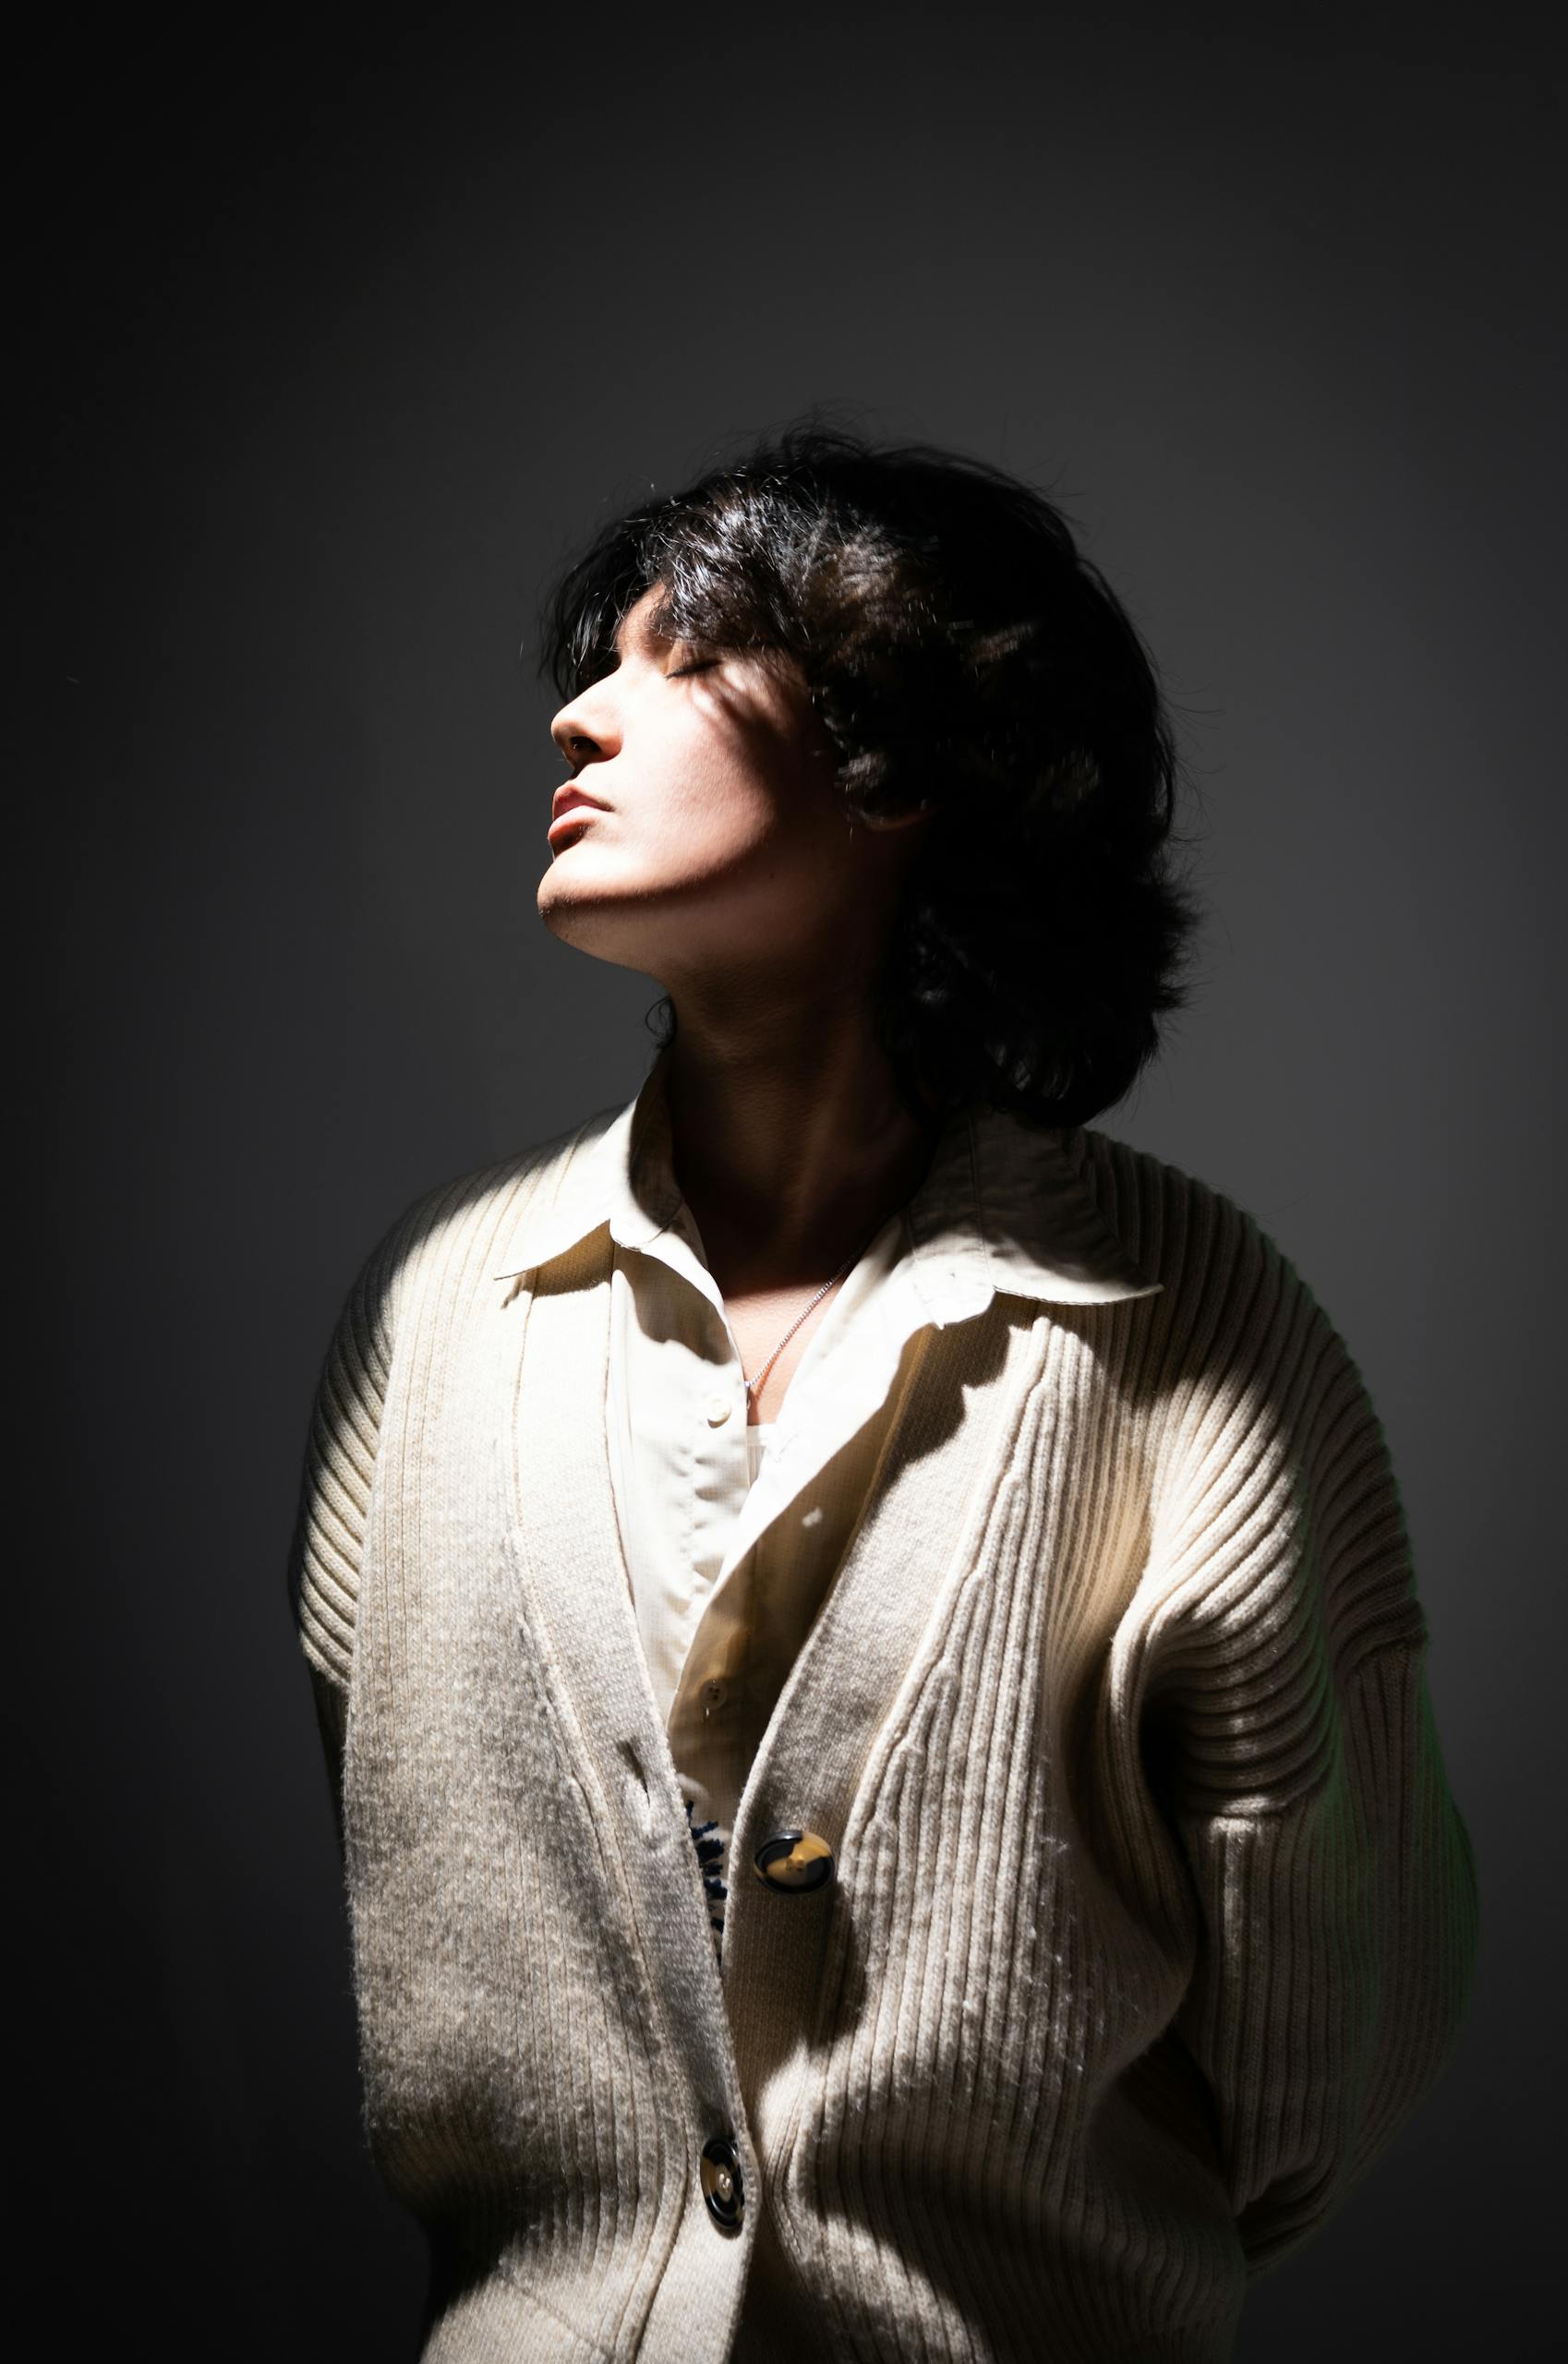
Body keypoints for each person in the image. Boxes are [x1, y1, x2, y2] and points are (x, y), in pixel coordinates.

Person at [287, 423, 1478, 2362]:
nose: (579, 715)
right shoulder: (438, 1311)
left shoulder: (1194, 1332)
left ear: (898, 764)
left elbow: (1325, 2039)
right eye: (597, 661)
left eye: (684, 657)